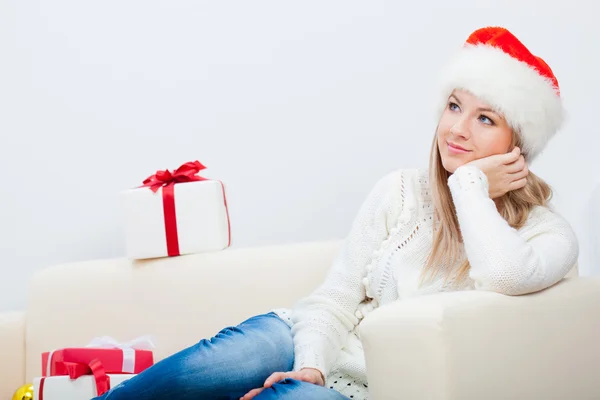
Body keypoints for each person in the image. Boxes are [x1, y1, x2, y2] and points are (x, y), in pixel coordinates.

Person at [92, 26, 579, 400]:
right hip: (313, 341)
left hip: (370, 388)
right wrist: (312, 365)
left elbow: (504, 273)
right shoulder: (401, 191)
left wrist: (469, 185)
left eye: (486, 118)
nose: (458, 129)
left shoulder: (547, 234)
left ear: (519, 146)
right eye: (454, 106)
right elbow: (336, 299)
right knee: (212, 366)